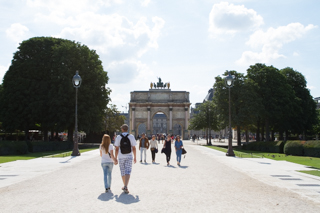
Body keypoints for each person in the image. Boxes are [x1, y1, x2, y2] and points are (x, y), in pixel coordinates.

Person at [114, 124, 137, 194]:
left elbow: (117, 149)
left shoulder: (118, 137)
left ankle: (125, 185)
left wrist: (115, 158)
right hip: (129, 156)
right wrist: (135, 157)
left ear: (122, 129)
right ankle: (125, 186)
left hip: (121, 157)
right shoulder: (131, 136)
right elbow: (134, 148)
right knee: (128, 171)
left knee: (122, 171)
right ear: (128, 129)